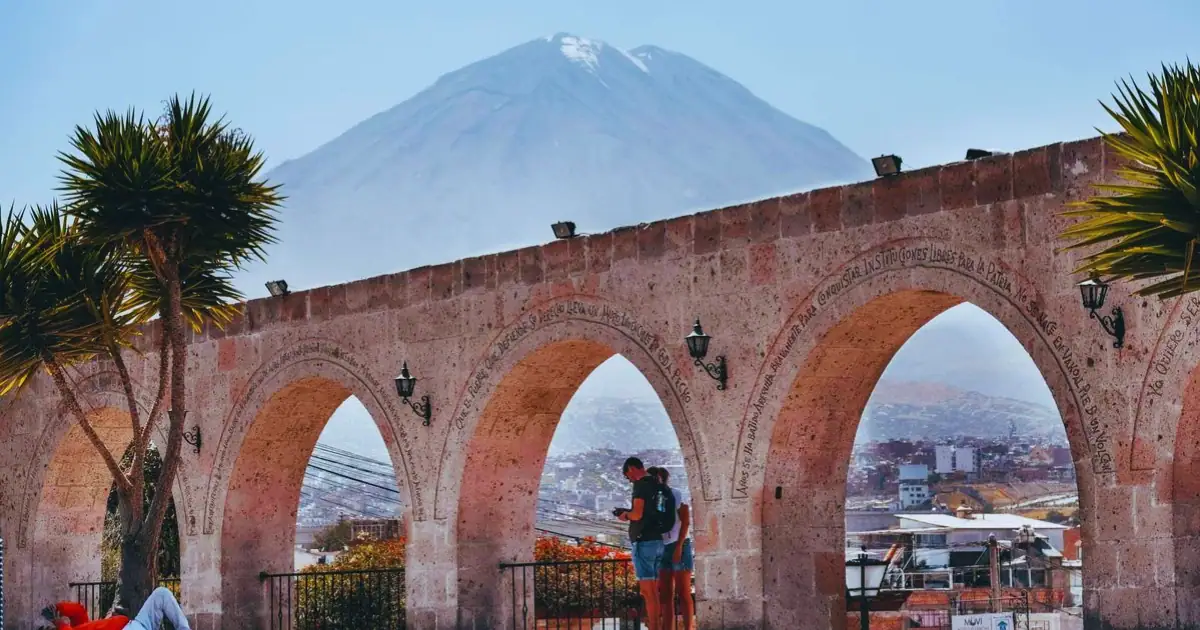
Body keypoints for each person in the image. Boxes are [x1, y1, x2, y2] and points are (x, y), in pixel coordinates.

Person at [614, 457, 670, 630]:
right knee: (654, 591)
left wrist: (625, 515)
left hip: (644, 542)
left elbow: (637, 514)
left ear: (631, 468)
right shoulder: (657, 484)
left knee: (648, 592)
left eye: (627, 476)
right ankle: (656, 626)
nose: (629, 480)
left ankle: (654, 627)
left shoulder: (641, 485)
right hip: (658, 541)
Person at [652, 466, 694, 630]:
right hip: (663, 546)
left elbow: (685, 520)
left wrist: (679, 546)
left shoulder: (675, 494)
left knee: (683, 592)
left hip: (679, 544)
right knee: (665, 595)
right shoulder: (654, 499)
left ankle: (688, 627)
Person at [39, 587, 191, 630]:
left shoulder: (79, 627)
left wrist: (59, 608)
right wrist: (61, 625)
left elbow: (79, 611)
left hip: (137, 624)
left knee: (161, 593)